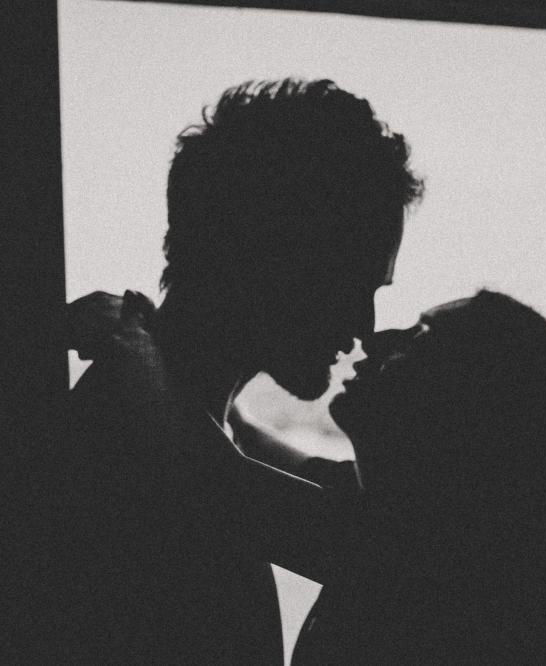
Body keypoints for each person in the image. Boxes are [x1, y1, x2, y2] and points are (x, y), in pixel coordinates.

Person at [79, 289, 546, 664]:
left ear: (474, 404)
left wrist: (136, 343)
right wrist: (225, 408)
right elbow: (263, 453)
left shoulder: (423, 551)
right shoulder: (430, 526)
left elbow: (217, 482)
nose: (376, 337)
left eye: (420, 337)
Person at [62, 78, 423, 663]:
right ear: (268, 258)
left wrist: (142, 350)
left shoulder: (167, 431)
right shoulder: (133, 456)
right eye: (350, 284)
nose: (365, 326)